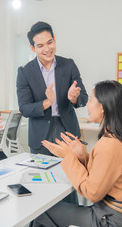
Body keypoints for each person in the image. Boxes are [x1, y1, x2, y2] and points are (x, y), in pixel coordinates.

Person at [33, 80, 122, 227]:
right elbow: (104, 172)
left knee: (42, 212)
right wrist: (82, 156)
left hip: (111, 220)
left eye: (90, 100)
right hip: (119, 214)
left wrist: (68, 156)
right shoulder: (119, 137)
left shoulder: (109, 145)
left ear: (103, 108)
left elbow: (92, 192)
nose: (87, 105)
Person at [16, 21, 88, 155]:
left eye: (49, 42)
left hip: (68, 131)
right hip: (41, 136)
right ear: (33, 48)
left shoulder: (69, 65)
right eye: (40, 46)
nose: (47, 49)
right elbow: (24, 108)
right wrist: (47, 102)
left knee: (72, 174)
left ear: (54, 40)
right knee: (42, 175)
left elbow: (84, 97)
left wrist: (74, 98)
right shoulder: (25, 72)